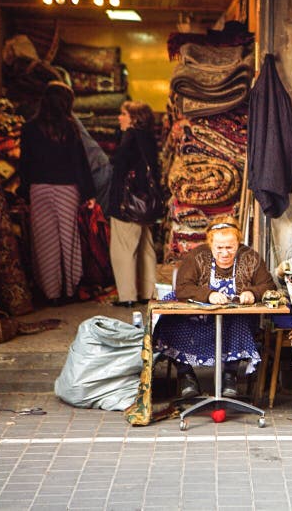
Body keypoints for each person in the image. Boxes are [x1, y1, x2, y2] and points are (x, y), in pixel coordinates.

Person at [153, 216, 277, 398]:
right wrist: (208, 295)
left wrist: (252, 293)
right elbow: (182, 288)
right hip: (195, 320)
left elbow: (268, 285)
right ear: (210, 244)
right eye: (219, 248)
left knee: (239, 320)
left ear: (238, 243)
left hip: (232, 320)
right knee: (170, 322)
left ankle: (230, 375)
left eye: (230, 247)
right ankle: (186, 375)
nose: (225, 253)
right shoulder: (197, 257)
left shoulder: (250, 257)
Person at [18, 81, 96, 306]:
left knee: (45, 242)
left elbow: (25, 164)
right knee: (69, 240)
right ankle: (70, 289)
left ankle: (51, 293)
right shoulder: (69, 127)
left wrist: (24, 193)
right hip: (67, 189)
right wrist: (88, 192)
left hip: (39, 188)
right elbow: (80, 162)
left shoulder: (30, 128)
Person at [105, 100, 162, 307]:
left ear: (134, 118)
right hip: (145, 204)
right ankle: (148, 291)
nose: (119, 118)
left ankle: (127, 296)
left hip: (128, 205)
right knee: (146, 247)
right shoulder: (149, 138)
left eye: (123, 114)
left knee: (123, 249)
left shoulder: (129, 138)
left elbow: (119, 171)